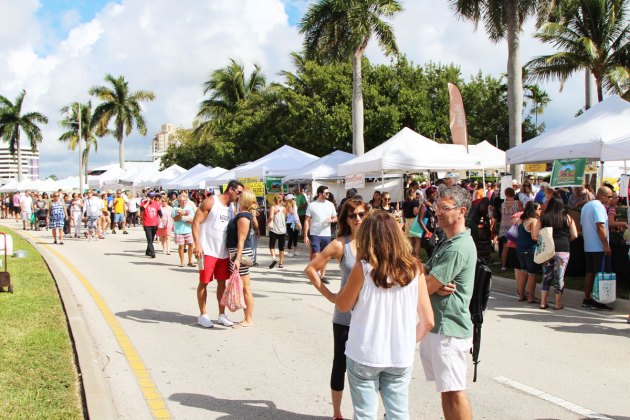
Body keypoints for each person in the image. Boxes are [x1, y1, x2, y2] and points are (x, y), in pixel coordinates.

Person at [336, 211, 434, 419]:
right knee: (399, 413)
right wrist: (407, 340)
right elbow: (428, 321)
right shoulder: (415, 268)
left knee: (365, 414)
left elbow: (343, 306)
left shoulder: (363, 268)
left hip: (365, 353)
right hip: (400, 355)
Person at [304, 197, 367, 420]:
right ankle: (337, 414)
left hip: (371, 318)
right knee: (340, 365)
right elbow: (311, 269)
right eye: (353, 215)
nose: (358, 218)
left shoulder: (377, 241)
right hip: (345, 317)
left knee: (374, 365)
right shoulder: (341, 244)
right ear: (346, 219)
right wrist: (331, 295)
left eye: (361, 214)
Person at [419, 185, 476, 420]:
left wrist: (429, 281)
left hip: (449, 330)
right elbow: (425, 273)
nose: (438, 213)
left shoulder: (458, 246)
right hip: (439, 327)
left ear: (461, 211)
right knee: (446, 391)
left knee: (454, 391)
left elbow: (428, 285)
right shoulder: (447, 241)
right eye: (437, 207)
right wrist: (427, 278)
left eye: (443, 208)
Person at [192, 180, 244, 328]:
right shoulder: (211, 202)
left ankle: (222, 314)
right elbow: (195, 222)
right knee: (204, 282)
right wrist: (198, 244)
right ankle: (203, 315)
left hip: (223, 252)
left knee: (222, 283)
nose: (240, 196)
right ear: (231, 190)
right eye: (239, 192)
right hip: (207, 250)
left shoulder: (232, 208)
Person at [538, 195, 578, 310]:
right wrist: (566, 239)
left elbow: (536, 233)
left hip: (548, 249)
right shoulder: (567, 218)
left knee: (546, 275)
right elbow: (574, 235)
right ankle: (557, 303)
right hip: (563, 248)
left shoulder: (544, 218)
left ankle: (543, 302)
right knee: (559, 277)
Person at [226, 189, 258, 327]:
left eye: (240, 196)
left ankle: (248, 319)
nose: (238, 197)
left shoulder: (244, 217)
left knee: (245, 287)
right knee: (244, 287)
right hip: (239, 252)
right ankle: (246, 317)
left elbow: (241, 239)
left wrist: (237, 259)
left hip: (241, 253)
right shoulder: (243, 214)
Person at [580, 186, 615, 310]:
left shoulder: (586, 206)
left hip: (588, 246)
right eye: (609, 196)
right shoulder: (599, 207)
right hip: (598, 247)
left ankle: (587, 298)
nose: (610, 199)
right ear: (603, 195)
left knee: (590, 272)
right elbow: (600, 226)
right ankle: (598, 300)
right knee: (600, 274)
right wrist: (606, 244)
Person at [304, 186, 338, 284]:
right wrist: (306, 235)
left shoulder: (330, 204)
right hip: (315, 234)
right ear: (320, 193)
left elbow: (336, 218)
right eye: (326, 193)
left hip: (327, 234)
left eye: (328, 193)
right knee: (316, 256)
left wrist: (332, 220)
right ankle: (315, 275)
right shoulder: (312, 205)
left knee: (326, 257)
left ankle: (322, 276)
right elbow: (306, 221)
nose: (328, 194)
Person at [516, 201, 542, 303]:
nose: (540, 211)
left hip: (520, 249)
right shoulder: (534, 221)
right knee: (532, 274)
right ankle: (531, 297)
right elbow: (534, 237)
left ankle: (521, 295)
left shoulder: (521, 220)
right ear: (534, 210)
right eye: (539, 209)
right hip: (530, 249)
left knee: (523, 273)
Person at [499, 187, 523, 271]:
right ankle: (516, 265)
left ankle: (503, 266)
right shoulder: (518, 203)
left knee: (505, 248)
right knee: (516, 247)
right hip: (514, 228)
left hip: (504, 228)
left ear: (506, 194)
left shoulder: (503, 204)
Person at [172, 192, 196, 267]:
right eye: (181, 201)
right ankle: (182, 262)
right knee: (181, 247)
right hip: (179, 231)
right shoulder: (175, 209)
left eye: (184, 200)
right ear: (178, 201)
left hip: (188, 230)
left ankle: (190, 261)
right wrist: (181, 214)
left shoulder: (189, 208)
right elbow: (175, 219)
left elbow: (193, 218)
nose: (183, 202)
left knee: (191, 245)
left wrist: (189, 220)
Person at [140, 192, 162, 258]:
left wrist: (162, 218)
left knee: (151, 239)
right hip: (147, 224)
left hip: (154, 224)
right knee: (149, 239)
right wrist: (147, 202)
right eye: (150, 197)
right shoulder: (144, 203)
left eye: (153, 197)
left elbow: (159, 212)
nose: (152, 199)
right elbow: (141, 209)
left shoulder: (156, 204)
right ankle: (152, 252)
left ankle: (147, 251)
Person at [267, 194, 287, 269]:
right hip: (282, 230)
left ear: (274, 200)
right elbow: (284, 218)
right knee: (281, 247)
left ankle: (274, 259)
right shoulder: (284, 208)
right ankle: (281, 263)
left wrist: (267, 222)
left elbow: (271, 217)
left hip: (274, 229)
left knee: (272, 245)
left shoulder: (273, 207)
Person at [402, 188, 421, 257]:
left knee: (410, 240)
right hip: (414, 221)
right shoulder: (414, 202)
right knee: (417, 240)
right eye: (415, 193)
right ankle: (417, 256)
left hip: (407, 221)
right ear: (413, 193)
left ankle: (410, 256)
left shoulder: (404, 203)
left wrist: (404, 222)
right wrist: (420, 210)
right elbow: (415, 213)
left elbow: (403, 214)